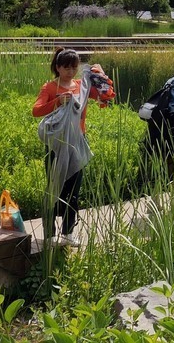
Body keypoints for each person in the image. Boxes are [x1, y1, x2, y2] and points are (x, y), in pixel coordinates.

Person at [31, 48, 114, 246]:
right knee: (54, 189)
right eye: (66, 68)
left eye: (74, 67)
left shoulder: (81, 85)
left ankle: (68, 233)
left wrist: (102, 81)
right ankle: (50, 235)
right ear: (58, 68)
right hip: (57, 145)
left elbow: (105, 98)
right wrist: (58, 101)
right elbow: (36, 111)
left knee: (73, 191)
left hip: (77, 143)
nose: (71, 72)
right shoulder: (50, 87)